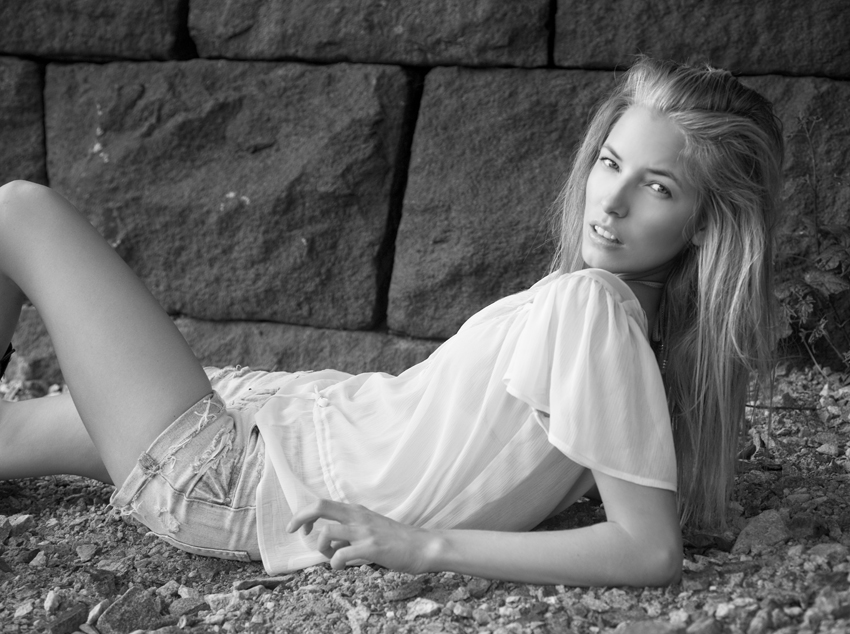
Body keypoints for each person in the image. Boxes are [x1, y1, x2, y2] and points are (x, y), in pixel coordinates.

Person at [0, 56, 783, 587]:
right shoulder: (645, 331)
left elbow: (646, 549)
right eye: (611, 164)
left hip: (241, 475)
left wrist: (421, 547)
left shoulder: (595, 308)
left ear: (707, 223)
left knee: (17, 212)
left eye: (658, 188)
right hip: (284, 418)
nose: (611, 202)